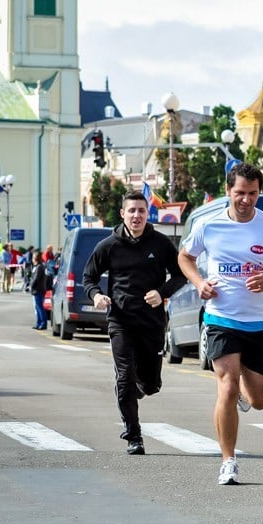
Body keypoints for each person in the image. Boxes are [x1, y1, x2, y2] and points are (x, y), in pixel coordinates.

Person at [178, 163, 263, 485]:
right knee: (227, 386)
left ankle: (245, 378)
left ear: (259, 192)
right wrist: (199, 283)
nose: (246, 200)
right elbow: (185, 257)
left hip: (258, 322)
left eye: (252, 193)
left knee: (258, 401)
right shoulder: (209, 225)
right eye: (240, 193)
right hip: (221, 317)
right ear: (228, 191)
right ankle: (228, 461)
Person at [83, 190, 187, 456]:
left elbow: (180, 275)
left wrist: (161, 292)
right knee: (125, 376)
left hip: (151, 322)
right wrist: (96, 296)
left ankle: (137, 389)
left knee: (151, 384)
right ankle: (134, 434)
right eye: (131, 211)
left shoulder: (160, 244)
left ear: (147, 213)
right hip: (120, 320)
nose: (136, 216)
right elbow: (89, 277)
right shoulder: (108, 245)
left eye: (141, 211)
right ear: (123, 214)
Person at [28, 250, 49, 330]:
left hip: (38, 290)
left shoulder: (39, 267)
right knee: (37, 307)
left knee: (40, 307)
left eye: (33, 258)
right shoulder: (37, 267)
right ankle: (38, 323)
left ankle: (43, 323)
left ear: (35, 258)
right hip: (37, 290)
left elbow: (36, 279)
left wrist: (31, 286)